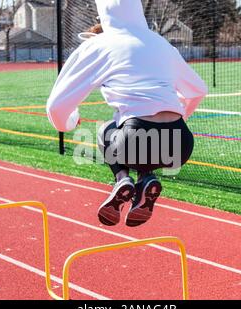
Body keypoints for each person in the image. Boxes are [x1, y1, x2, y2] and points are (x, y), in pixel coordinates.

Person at [46, 0, 207, 227]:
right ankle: (146, 180)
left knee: (107, 130)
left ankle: (122, 180)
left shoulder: (99, 45)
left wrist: (69, 123)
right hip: (181, 144)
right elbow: (199, 90)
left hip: (134, 138)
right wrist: (178, 116)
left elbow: (56, 107)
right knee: (146, 144)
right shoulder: (160, 43)